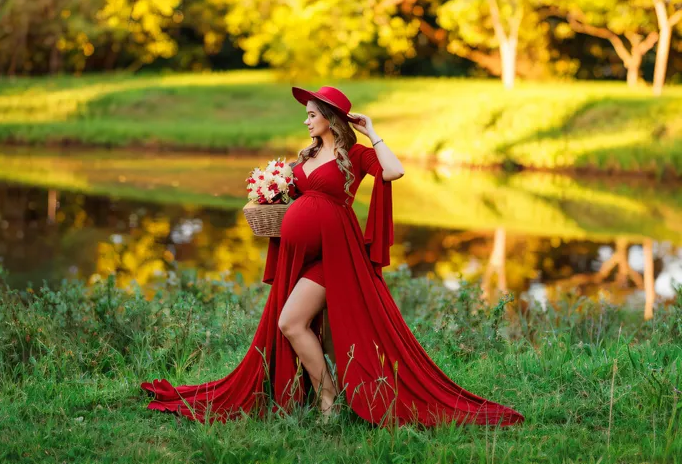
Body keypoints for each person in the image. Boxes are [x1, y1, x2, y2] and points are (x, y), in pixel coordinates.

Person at [140, 86, 525, 428]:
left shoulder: (355, 154)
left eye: (311, 114)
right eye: (306, 114)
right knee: (301, 325)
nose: (306, 121)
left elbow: (394, 170)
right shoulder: (305, 155)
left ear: (330, 118)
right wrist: (268, 189)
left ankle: (329, 397)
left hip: (336, 256)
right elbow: (289, 197)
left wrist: (371, 131)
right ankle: (322, 391)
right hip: (300, 257)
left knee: (291, 322)